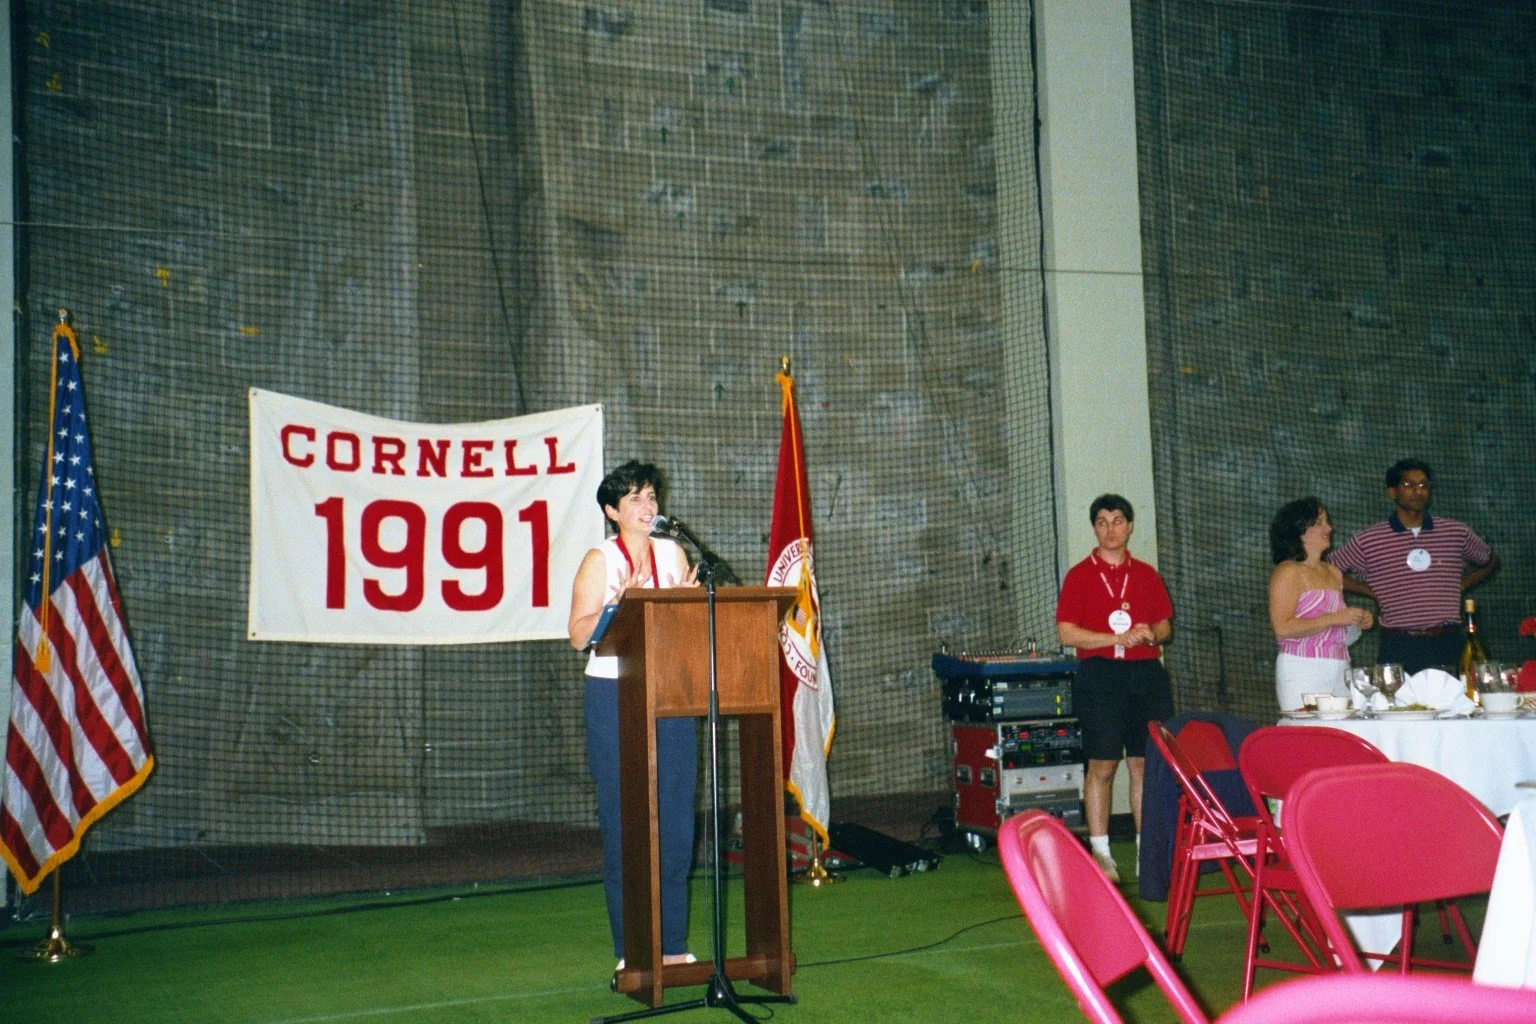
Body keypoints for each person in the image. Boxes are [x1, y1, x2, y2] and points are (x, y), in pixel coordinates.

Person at [568, 460, 699, 971]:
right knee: (626, 825)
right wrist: (614, 610)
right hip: (613, 698)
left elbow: (681, 630)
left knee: (675, 825)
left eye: (651, 497)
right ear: (612, 511)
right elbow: (578, 636)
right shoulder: (600, 560)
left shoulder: (674, 552)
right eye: (636, 500)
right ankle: (631, 951)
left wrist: (690, 609)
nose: (649, 508)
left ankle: (672, 945)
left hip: (673, 696)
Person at [1056, 494, 1174, 883]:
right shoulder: (1078, 575)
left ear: (1130, 526)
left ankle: (1146, 852)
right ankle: (1102, 852)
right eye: (1103, 522)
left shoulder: (1145, 574)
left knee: (1144, 764)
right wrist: (1115, 639)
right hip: (1101, 677)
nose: (1111, 529)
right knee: (1103, 764)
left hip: (1146, 675)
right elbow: (1067, 632)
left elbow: (1164, 628)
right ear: (1094, 528)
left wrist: (1148, 632)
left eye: (1118, 521)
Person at [1329, 459, 1498, 675]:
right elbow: (1327, 571)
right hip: (1398, 644)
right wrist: (1372, 592)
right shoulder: (1368, 539)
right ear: (1392, 492)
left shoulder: (1456, 532)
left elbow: (1490, 560)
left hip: (1448, 642)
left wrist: (1461, 585)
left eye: (1423, 485)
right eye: (1408, 485)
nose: (1417, 491)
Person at [1268, 497, 1373, 710]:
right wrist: (1336, 618)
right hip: (1301, 670)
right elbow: (1282, 628)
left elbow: (1336, 634)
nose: (1329, 528)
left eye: (1326, 521)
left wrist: (1357, 622)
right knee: (1309, 738)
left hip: (1340, 667)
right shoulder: (1287, 571)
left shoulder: (1333, 572)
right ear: (1298, 530)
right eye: (1319, 523)